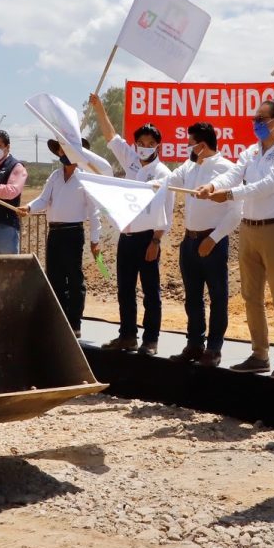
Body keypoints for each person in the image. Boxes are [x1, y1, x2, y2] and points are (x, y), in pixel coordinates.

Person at [197, 99, 274, 378]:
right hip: (248, 228)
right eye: (254, 119)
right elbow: (233, 174)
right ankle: (259, 354)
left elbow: (268, 186)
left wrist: (230, 195)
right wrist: (213, 185)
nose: (256, 124)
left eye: (262, 119)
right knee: (250, 296)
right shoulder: (250, 152)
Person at [89, 94, 174, 356]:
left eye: (149, 143)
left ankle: (151, 340)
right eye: (140, 143)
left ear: (158, 145)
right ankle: (127, 336)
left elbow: (166, 211)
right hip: (127, 236)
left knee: (150, 291)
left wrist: (156, 241)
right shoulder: (132, 161)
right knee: (125, 289)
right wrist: (100, 108)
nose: (144, 147)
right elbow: (111, 136)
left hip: (148, 238)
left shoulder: (163, 174)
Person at [159, 122, 240, 367]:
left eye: (190, 144)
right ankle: (195, 344)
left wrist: (213, 239)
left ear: (202, 146)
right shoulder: (191, 165)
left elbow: (237, 211)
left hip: (213, 242)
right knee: (192, 298)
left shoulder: (228, 169)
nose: (188, 148)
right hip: (190, 240)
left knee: (218, 297)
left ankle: (214, 349)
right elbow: (169, 180)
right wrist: (154, 183)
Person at [18, 139, 101, 338]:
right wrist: (28, 208)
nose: (62, 153)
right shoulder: (55, 176)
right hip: (54, 232)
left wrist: (95, 239)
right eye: (60, 149)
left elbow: (94, 211)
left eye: (67, 149)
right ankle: (60, 320)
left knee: (74, 278)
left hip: (73, 232)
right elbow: (44, 200)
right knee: (55, 277)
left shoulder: (86, 179)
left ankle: (74, 323)